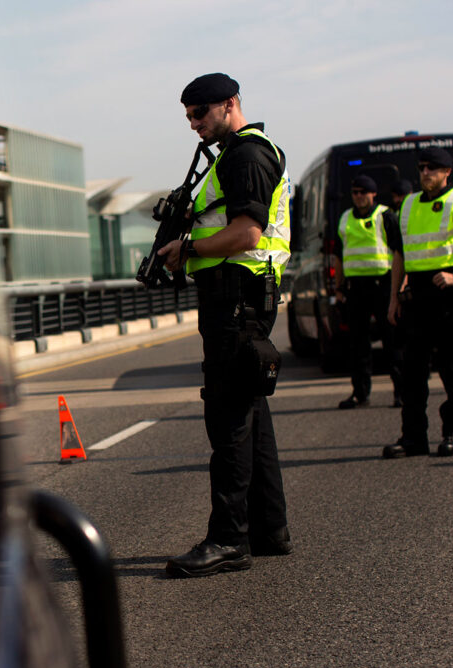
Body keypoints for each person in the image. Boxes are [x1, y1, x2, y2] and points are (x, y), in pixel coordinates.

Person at [158, 73, 292, 578]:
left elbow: (246, 230)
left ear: (230, 104)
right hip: (237, 295)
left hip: (238, 297)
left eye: (201, 113)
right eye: (189, 116)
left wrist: (187, 248)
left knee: (229, 416)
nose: (193, 124)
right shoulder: (233, 154)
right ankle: (269, 531)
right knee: (250, 411)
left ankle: (227, 539)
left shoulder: (246, 155)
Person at [383, 148, 453, 458]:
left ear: (447, 172)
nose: (425, 173)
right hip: (417, 300)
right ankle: (413, 439)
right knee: (412, 374)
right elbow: (399, 256)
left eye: (433, 169)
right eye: (422, 168)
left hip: (451, 300)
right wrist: (394, 299)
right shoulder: (406, 205)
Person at [333, 175, 403, 409]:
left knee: (392, 341)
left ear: (373, 194)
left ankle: (400, 392)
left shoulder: (385, 215)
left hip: (383, 286)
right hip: (356, 289)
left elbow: (398, 253)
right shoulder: (344, 218)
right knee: (358, 344)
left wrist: (399, 287)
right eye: (355, 192)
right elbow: (338, 256)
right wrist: (339, 287)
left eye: (364, 192)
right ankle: (360, 393)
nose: (359, 196)